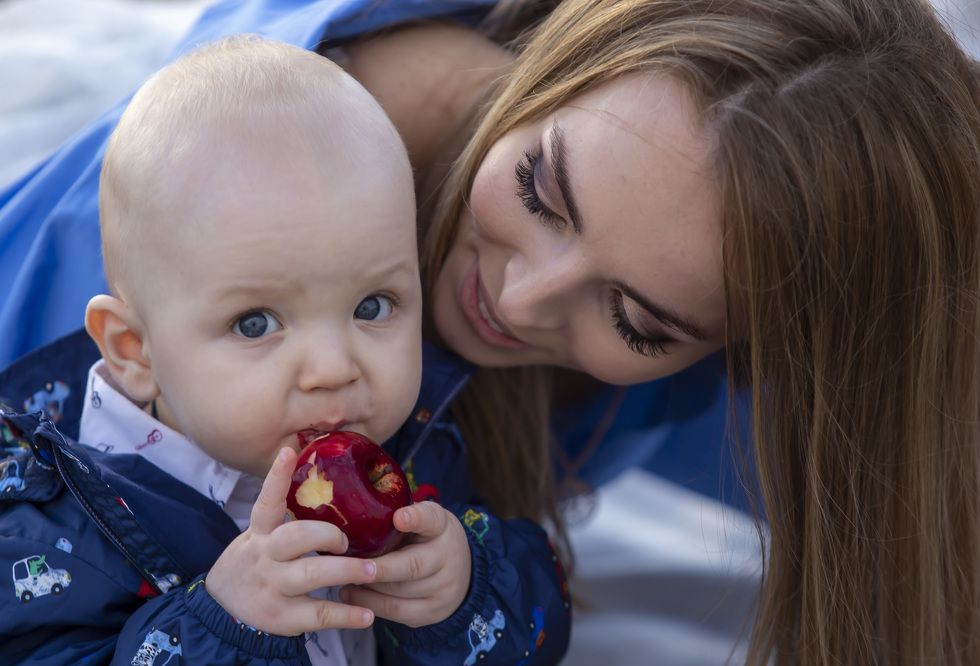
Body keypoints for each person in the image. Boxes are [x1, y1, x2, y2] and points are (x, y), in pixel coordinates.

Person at [0, 0, 980, 663]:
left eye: (634, 320)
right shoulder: (147, 260)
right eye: (537, 190)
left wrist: (466, 586)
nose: (519, 302)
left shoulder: (741, 300)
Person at [0, 35, 569, 665]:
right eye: (255, 323)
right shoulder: (56, 533)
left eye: (372, 306)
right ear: (137, 352)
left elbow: (539, 620)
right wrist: (223, 631)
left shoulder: (417, 454)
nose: (333, 369)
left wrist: (466, 592)